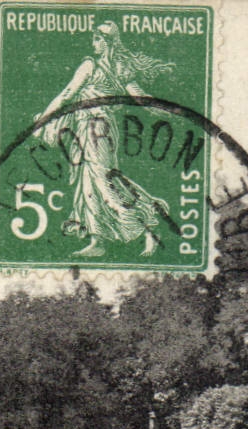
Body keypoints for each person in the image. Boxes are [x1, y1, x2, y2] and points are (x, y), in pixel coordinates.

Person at [32, 22, 173, 257]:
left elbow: (67, 94)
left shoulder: (92, 65)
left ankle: (149, 224)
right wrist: (163, 109)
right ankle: (97, 241)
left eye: (97, 39)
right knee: (87, 183)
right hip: (93, 128)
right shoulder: (120, 66)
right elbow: (140, 97)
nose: (93, 43)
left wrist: (44, 119)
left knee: (103, 181)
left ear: (107, 42)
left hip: (95, 129)